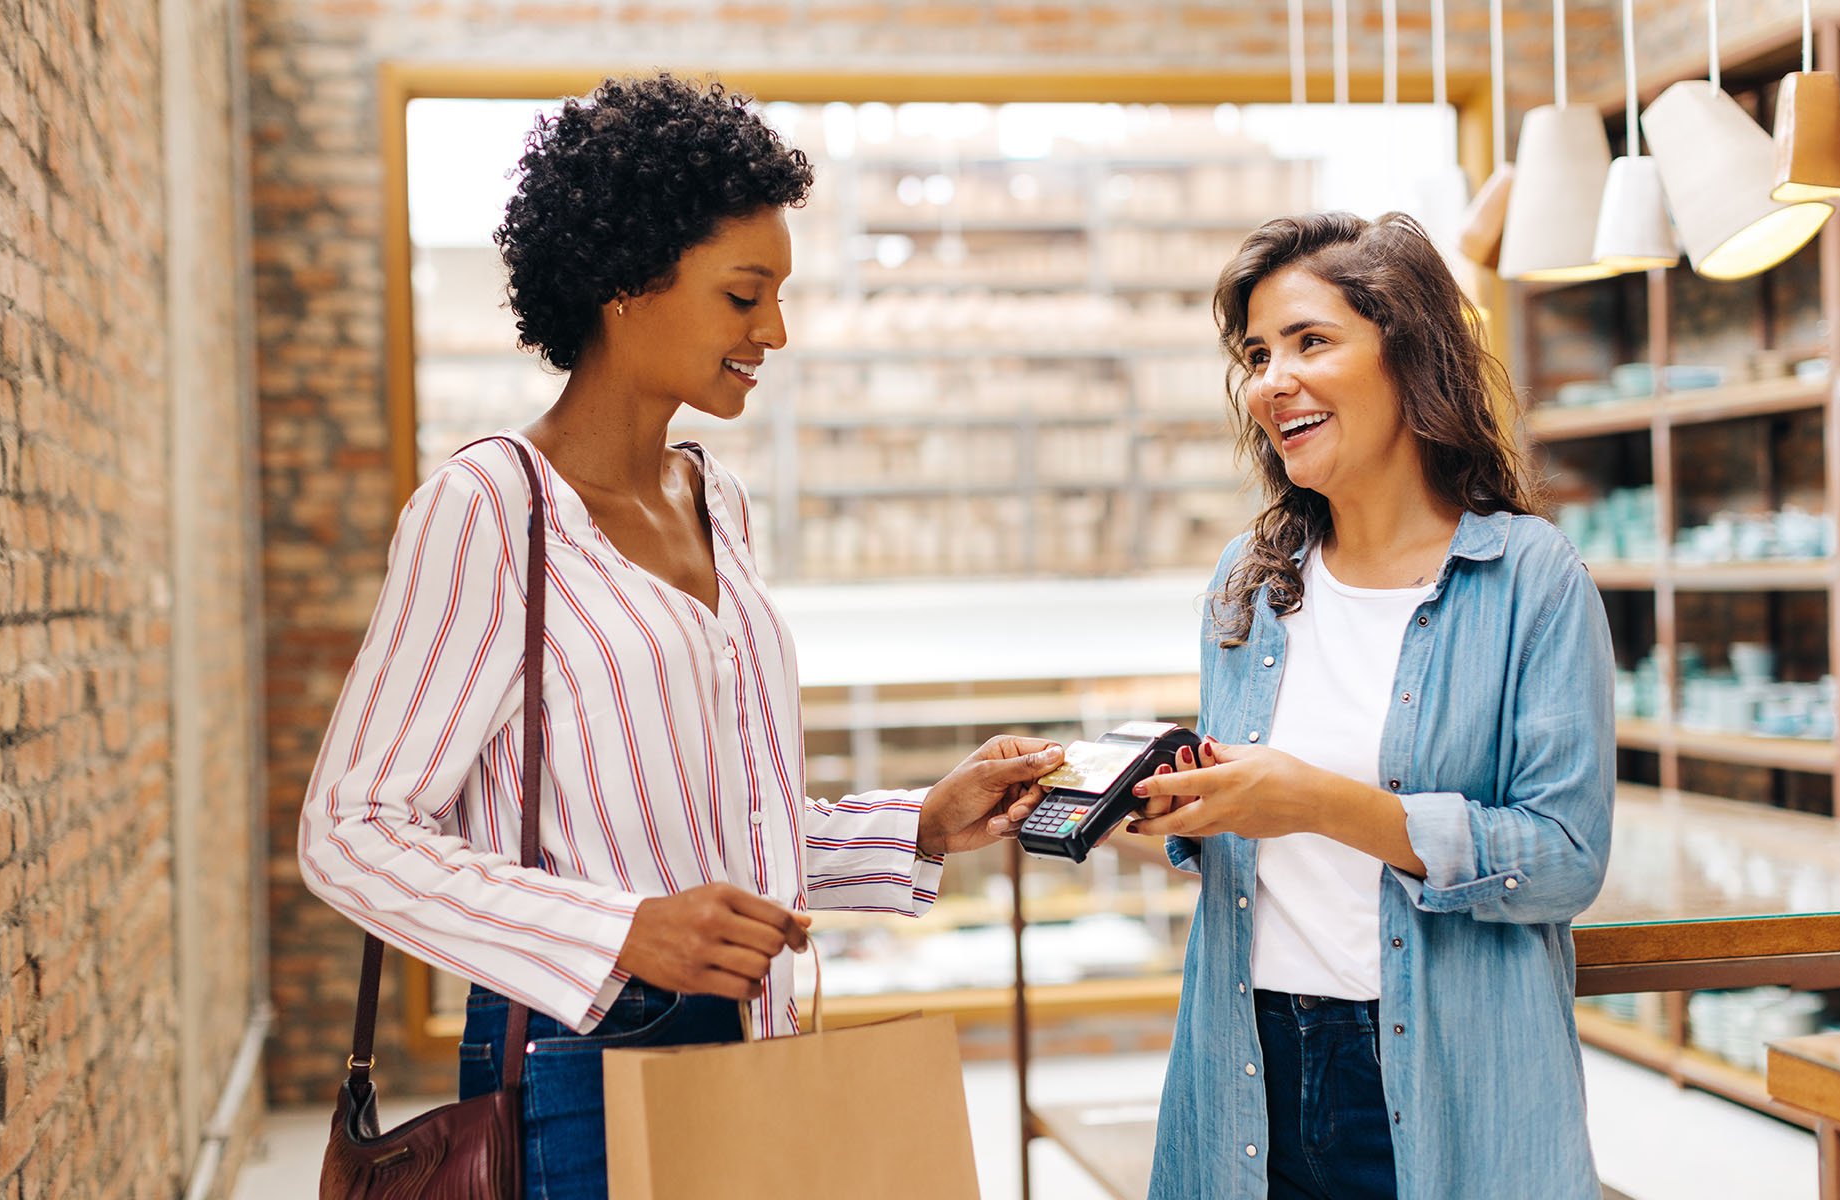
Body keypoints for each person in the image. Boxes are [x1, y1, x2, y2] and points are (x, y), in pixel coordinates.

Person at [299, 74, 1063, 1199]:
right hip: (580, 1063)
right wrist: (619, 933)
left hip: (751, 1031)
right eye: (743, 295)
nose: (775, 331)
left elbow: (718, 831)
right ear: (624, 283)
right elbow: (349, 830)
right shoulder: (490, 512)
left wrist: (922, 826)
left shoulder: (717, 501)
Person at [1132, 212, 1614, 1199]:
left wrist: (1315, 802)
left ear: (1411, 358)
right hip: (1246, 1055)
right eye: (1257, 354)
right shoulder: (1250, 582)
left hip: (1435, 1067)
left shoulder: (1529, 578)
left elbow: (1563, 860)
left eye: (1311, 342)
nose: (1273, 380)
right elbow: (1243, 831)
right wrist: (1160, 808)